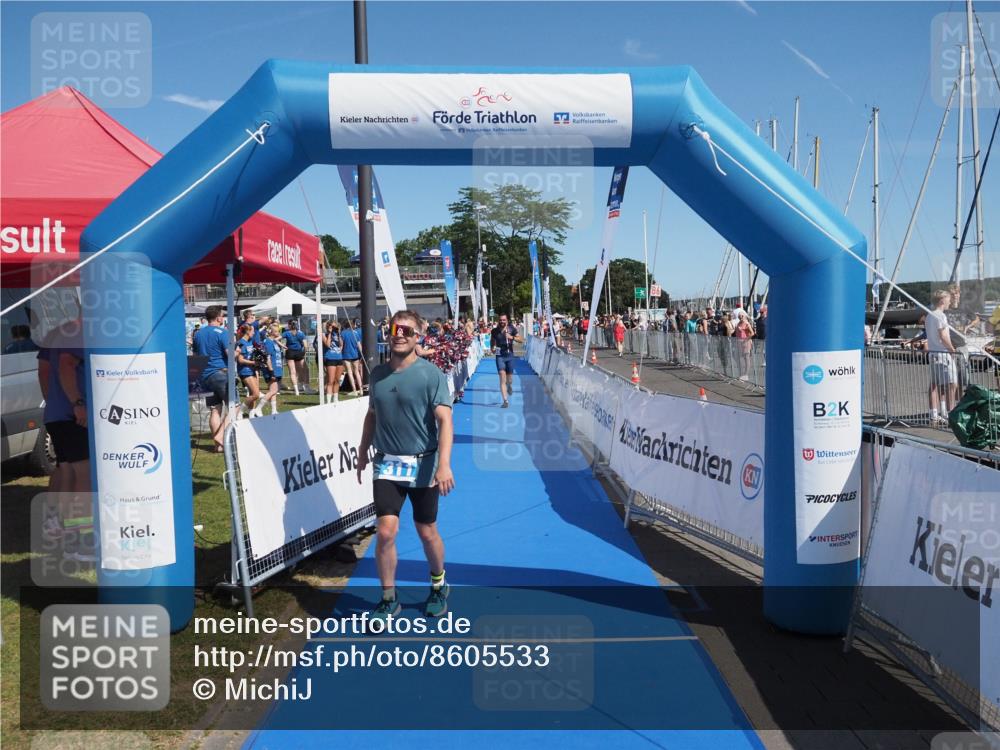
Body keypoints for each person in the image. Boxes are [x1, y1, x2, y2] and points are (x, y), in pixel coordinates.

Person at [356, 309, 455, 621]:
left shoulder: (430, 375)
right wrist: (362, 449)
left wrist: (445, 465)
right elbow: (372, 414)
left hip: (424, 464)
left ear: (418, 337)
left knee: (426, 532)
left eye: (407, 331)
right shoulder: (377, 375)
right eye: (395, 329)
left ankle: (438, 584)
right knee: (385, 532)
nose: (400, 335)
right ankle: (388, 597)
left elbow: (445, 421)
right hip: (387, 464)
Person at [192, 306, 231, 451]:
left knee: (215, 409)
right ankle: (220, 436)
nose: (223, 318)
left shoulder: (198, 334)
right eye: (222, 315)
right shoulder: (222, 332)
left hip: (205, 375)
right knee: (235, 406)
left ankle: (218, 447)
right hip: (220, 373)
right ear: (218, 317)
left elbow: (196, 356)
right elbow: (229, 353)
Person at [925, 289, 958, 424]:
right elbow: (943, 335)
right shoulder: (940, 316)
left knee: (934, 384)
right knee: (952, 384)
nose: (950, 302)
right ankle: (951, 415)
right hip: (942, 353)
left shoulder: (929, 316)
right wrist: (952, 349)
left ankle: (934, 414)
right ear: (942, 300)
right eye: (949, 299)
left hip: (933, 353)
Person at [491, 314, 523, 408]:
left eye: (504, 320)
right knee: (502, 376)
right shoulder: (495, 331)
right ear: (498, 321)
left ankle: (509, 385)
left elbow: (521, 340)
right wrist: (492, 347)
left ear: (507, 321)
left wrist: (511, 337)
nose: (502, 322)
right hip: (499, 355)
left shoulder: (511, 329)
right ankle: (505, 400)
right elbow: (492, 340)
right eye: (500, 320)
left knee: (509, 378)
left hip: (509, 356)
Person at [235, 324, 263, 418]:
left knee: (252, 394)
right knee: (256, 394)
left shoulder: (250, 341)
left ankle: (251, 414)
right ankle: (240, 411)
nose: (254, 333)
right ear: (247, 331)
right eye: (252, 331)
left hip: (252, 370)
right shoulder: (241, 343)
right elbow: (240, 360)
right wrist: (253, 362)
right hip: (245, 371)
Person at [260, 324, 284, 414]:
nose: (278, 333)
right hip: (271, 369)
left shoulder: (274, 341)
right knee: (273, 390)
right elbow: (268, 358)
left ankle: (274, 410)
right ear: (271, 332)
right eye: (277, 331)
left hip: (277, 368)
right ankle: (258, 408)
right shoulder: (268, 342)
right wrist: (271, 371)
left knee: (273, 391)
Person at [322, 320, 346, 403]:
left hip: (339, 358)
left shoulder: (337, 334)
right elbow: (328, 345)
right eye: (332, 326)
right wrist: (329, 333)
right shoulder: (324, 334)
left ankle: (335, 398)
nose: (333, 328)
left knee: (337, 380)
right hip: (330, 358)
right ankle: (328, 400)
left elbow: (341, 344)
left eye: (334, 326)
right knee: (330, 381)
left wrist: (338, 333)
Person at [281, 319, 307, 395]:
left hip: (290, 352)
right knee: (301, 371)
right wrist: (303, 353)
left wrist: (283, 346)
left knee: (292, 372)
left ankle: (296, 390)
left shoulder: (286, 333)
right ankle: (301, 385)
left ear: (289, 325)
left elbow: (276, 339)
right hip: (299, 352)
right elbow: (305, 346)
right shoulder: (301, 334)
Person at [340, 319, 364, 394]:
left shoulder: (342, 333)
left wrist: (339, 355)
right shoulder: (356, 333)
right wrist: (361, 355)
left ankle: (354, 390)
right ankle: (361, 389)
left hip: (346, 355)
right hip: (355, 355)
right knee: (357, 372)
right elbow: (359, 346)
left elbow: (341, 345)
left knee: (350, 372)